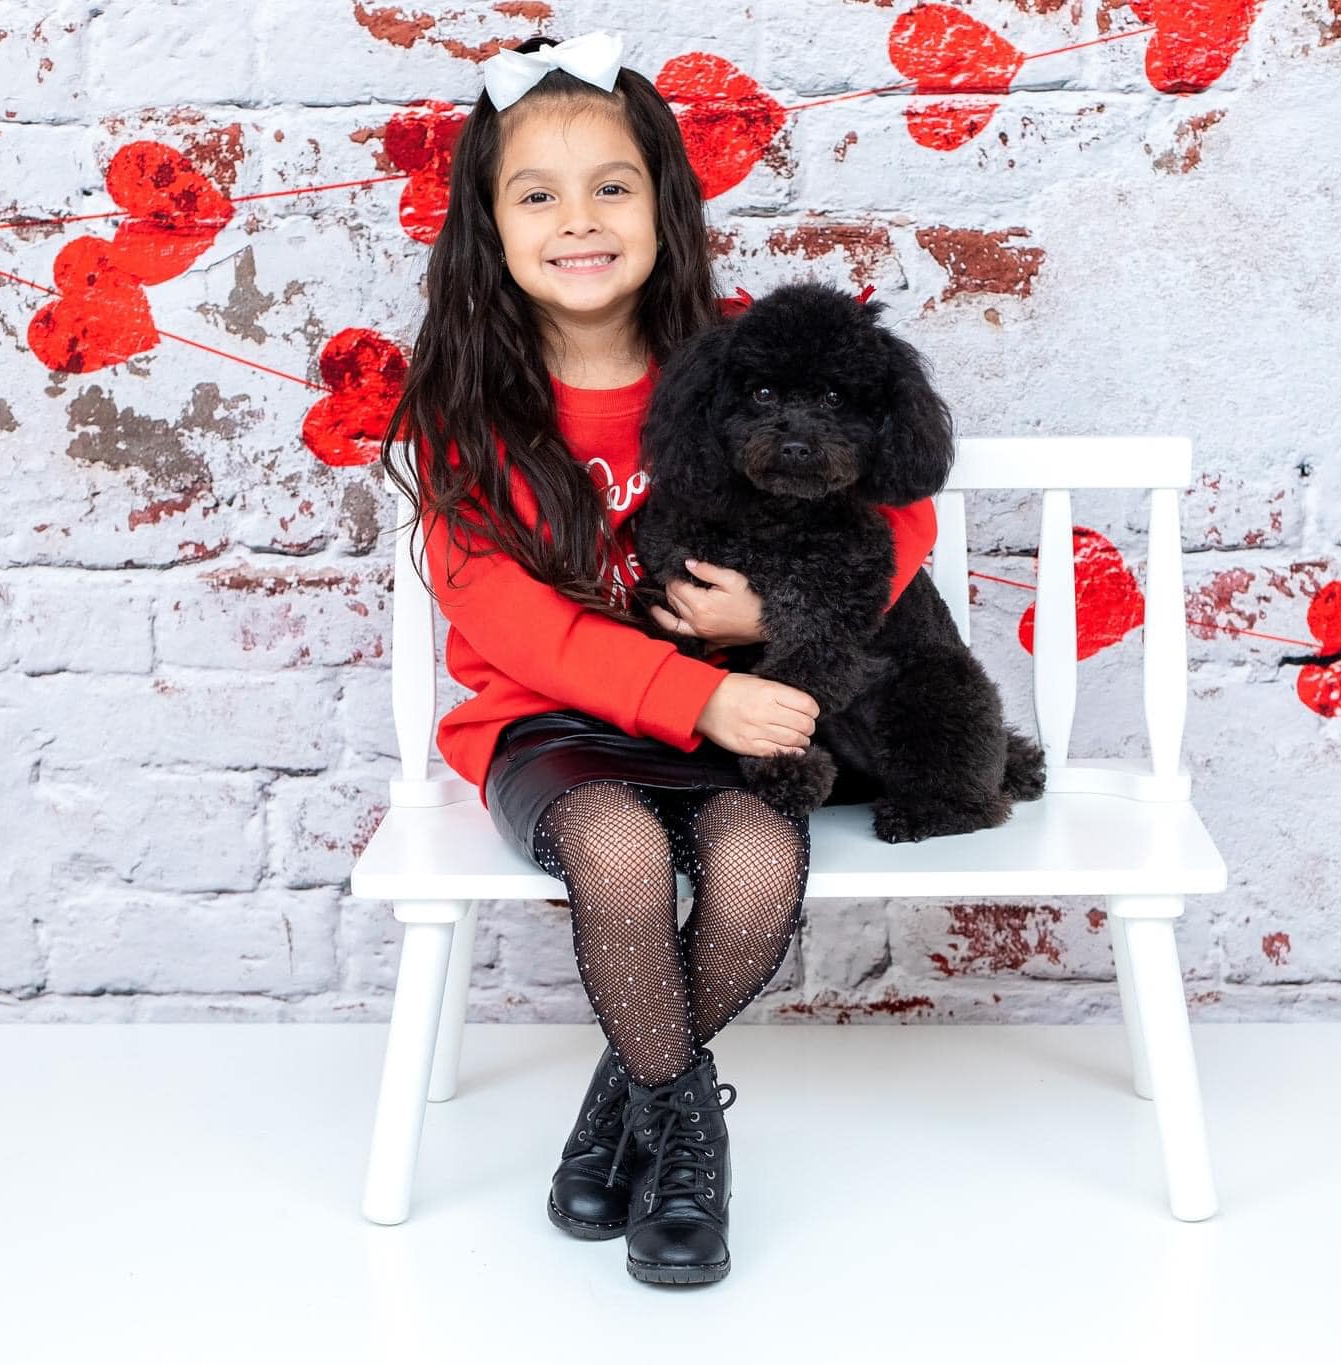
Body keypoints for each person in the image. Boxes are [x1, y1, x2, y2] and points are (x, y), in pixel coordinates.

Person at [378, 30, 937, 1286]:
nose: (578, 220)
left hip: (728, 708)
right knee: (622, 857)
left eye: (610, 185)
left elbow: (902, 511)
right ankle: (687, 1140)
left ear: (663, 203)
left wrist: (768, 620)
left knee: (752, 867)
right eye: (537, 194)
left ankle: (615, 1110)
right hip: (551, 723)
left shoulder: (743, 357)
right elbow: (506, 618)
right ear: (490, 225)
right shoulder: (470, 401)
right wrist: (702, 689)